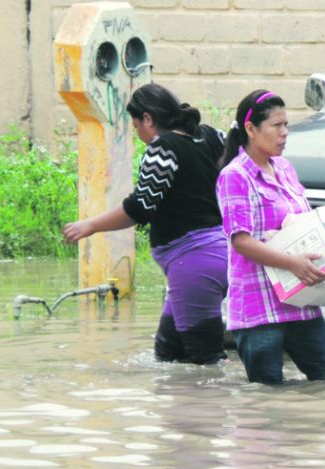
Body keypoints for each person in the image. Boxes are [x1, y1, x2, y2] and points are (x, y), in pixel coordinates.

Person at [62, 83, 229, 365]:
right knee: (168, 354)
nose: (138, 133)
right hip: (215, 256)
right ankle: (174, 407)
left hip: (193, 261)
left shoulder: (162, 148)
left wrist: (90, 225)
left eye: (136, 125)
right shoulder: (211, 136)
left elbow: (140, 206)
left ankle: (233, 405)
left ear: (148, 119)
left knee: (208, 363)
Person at [215, 89, 325, 385]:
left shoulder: (285, 169)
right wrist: (292, 264)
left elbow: (307, 226)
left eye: (286, 125)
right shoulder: (235, 176)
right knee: (267, 395)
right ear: (250, 129)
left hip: (299, 301)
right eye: (277, 126)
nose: (285, 133)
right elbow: (241, 240)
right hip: (258, 307)